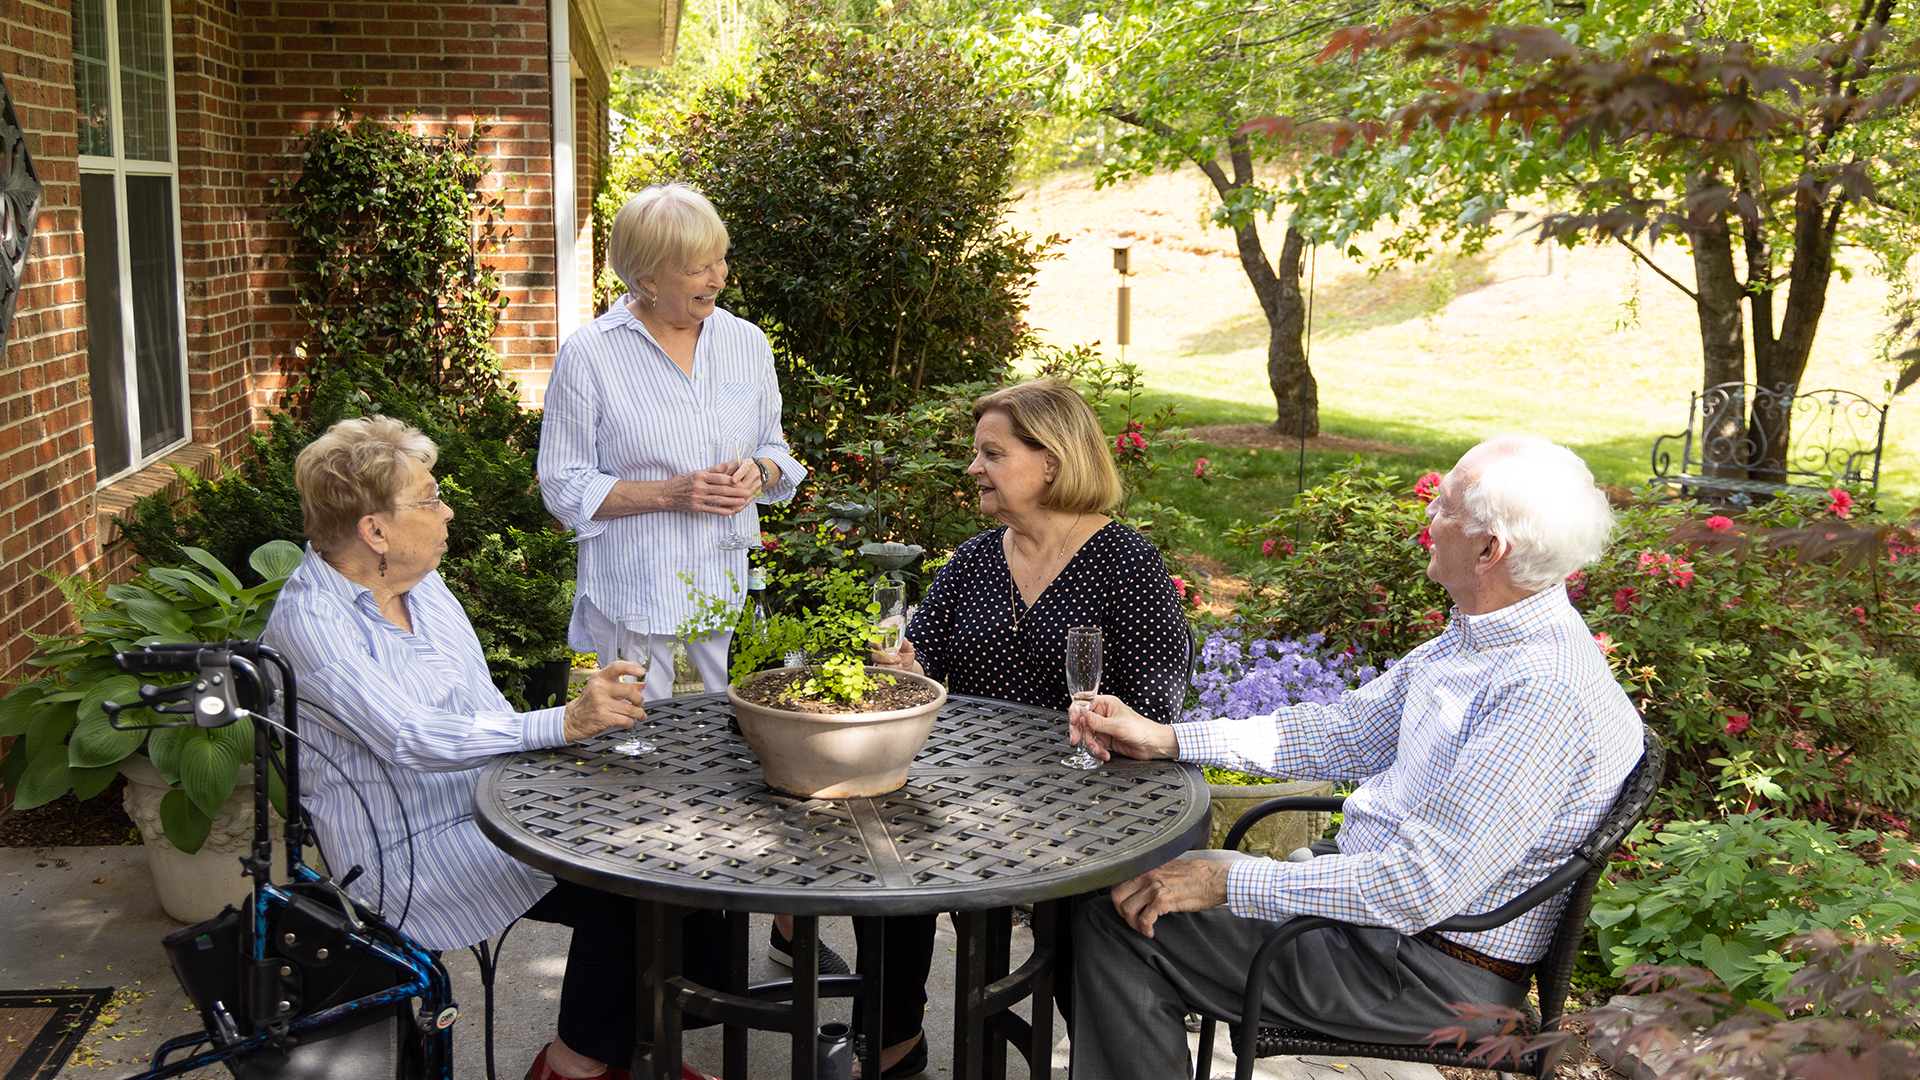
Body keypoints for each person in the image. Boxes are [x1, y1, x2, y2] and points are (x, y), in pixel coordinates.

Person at [1065, 434, 1643, 1080]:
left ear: (1490, 549)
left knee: (1118, 916)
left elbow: (1418, 886)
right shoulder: (1484, 638)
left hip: (1421, 972)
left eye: (1444, 508)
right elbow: (1343, 731)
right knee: (1132, 892)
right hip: (1376, 929)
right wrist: (1168, 739)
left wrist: (1228, 881)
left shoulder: (1541, 693)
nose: (1427, 517)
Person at [264, 416, 727, 1080]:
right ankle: (573, 1067)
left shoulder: (419, 582)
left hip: (493, 800)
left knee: (675, 846)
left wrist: (577, 763)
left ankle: (629, 1052)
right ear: (375, 530)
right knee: (634, 890)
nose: (446, 510)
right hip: (411, 851)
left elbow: (478, 710)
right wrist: (563, 724)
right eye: (428, 500)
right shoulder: (313, 621)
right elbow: (410, 735)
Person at [864, 376, 1193, 1077]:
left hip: (1081, 807)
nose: (973, 468)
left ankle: (1108, 1057)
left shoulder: (1127, 567)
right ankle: (893, 1036)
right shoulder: (978, 558)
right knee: (881, 858)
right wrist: (903, 664)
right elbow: (923, 674)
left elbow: (1157, 715)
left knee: (1080, 929)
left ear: (1050, 462)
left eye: (990, 453)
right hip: (965, 791)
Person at [538, 181, 806, 700]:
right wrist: (669, 493)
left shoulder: (747, 343)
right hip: (632, 599)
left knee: (731, 740)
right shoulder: (590, 354)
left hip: (725, 591)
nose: (719, 278)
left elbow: (776, 450)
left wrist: (760, 470)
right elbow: (563, 486)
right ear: (647, 278)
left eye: (720, 260)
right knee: (642, 749)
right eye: (697, 269)